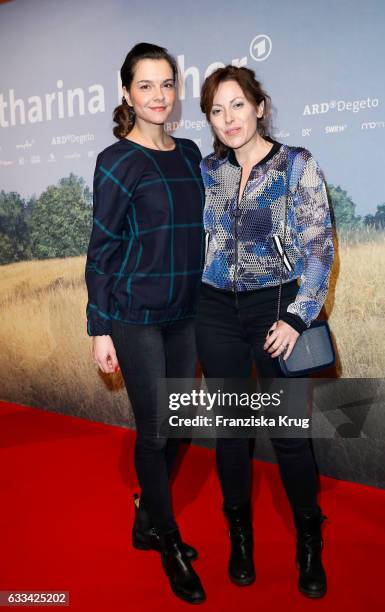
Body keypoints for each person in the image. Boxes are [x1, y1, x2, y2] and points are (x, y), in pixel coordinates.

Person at [196, 65, 334, 598]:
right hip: (214, 313)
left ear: (259, 106)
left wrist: (298, 317)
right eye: (215, 110)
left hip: (278, 312)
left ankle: (308, 539)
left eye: (236, 105)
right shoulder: (208, 171)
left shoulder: (296, 164)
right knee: (231, 434)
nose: (228, 118)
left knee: (290, 437)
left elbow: (320, 247)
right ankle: (240, 537)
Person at [85, 43, 206, 604]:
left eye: (166, 85)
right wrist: (100, 328)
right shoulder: (117, 161)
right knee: (155, 430)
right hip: (135, 316)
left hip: (186, 314)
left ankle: (145, 514)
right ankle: (169, 540)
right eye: (145, 86)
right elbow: (102, 252)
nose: (158, 96)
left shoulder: (188, 153)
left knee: (179, 426)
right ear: (127, 93)